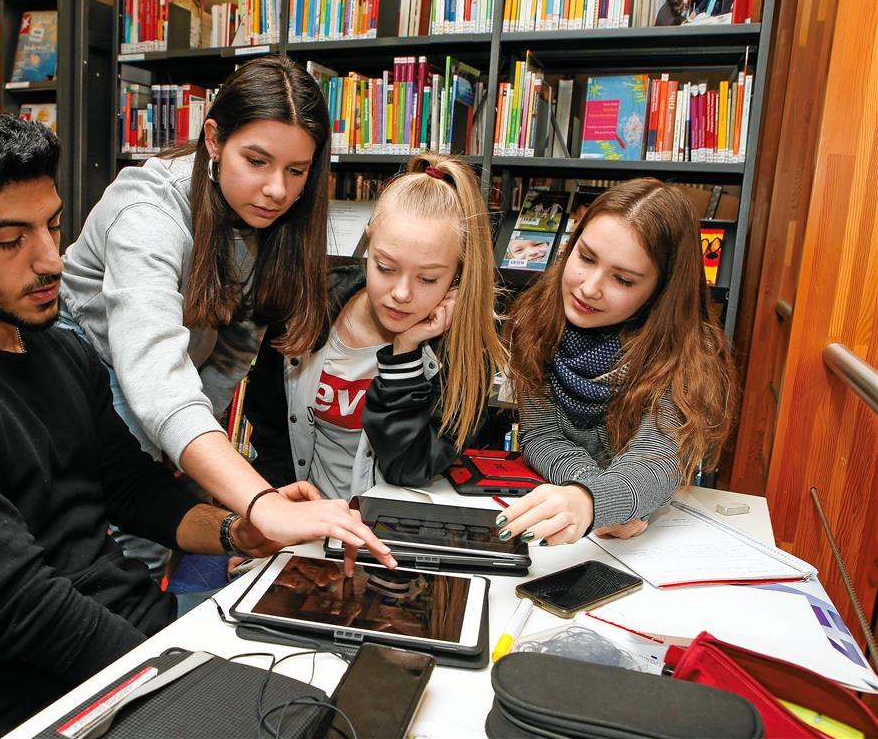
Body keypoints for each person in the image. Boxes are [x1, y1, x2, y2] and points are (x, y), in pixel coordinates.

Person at [0, 107, 318, 737]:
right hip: (46, 697)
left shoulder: (59, 349)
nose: (50, 261)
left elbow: (129, 487)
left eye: (53, 227)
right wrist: (181, 675)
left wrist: (237, 532)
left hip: (135, 643)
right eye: (11, 241)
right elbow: (19, 607)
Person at [60, 55, 393, 573]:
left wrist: (186, 445)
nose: (278, 190)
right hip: (91, 385)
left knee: (187, 541)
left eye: (297, 170)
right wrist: (262, 502)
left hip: (172, 392)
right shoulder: (147, 213)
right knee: (131, 553)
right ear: (213, 140)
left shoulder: (270, 218)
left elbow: (236, 347)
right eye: (257, 161)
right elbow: (153, 376)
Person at [494, 178, 737, 546]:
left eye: (622, 279)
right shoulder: (538, 317)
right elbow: (541, 435)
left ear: (662, 291)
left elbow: (655, 461)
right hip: (578, 521)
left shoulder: (688, 353)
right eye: (586, 257)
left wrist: (592, 503)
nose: (589, 287)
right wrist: (592, 496)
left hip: (644, 540)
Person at [246, 154, 504, 500]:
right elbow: (270, 431)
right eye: (385, 267)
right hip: (303, 526)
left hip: (388, 539)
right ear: (368, 243)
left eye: (428, 278)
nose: (401, 294)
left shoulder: (466, 352)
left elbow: (409, 468)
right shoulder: (307, 307)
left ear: (458, 276)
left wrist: (406, 353)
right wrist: (271, 520)